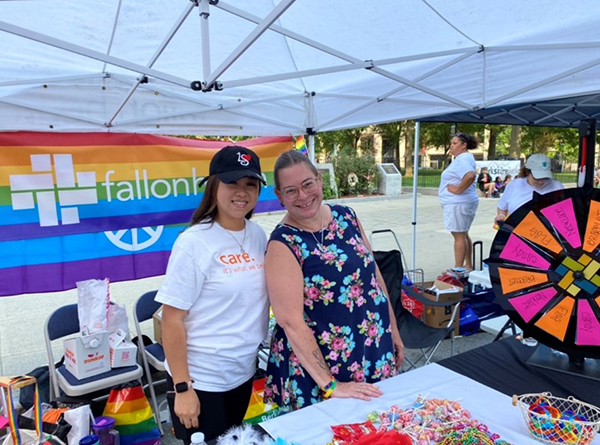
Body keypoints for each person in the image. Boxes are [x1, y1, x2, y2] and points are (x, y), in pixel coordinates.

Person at [263, 150, 404, 412]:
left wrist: (393, 330)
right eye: (291, 191)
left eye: (307, 184)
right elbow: (290, 322)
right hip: (321, 368)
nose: (303, 196)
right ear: (280, 197)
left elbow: (374, 277)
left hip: (370, 347)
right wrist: (330, 385)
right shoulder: (283, 243)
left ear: (319, 180)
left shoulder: (346, 216)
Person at [155, 146, 270, 443]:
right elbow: (171, 319)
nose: (241, 192)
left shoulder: (258, 235)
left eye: (250, 184)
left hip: (242, 373)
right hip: (201, 380)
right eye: (232, 183)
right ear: (213, 185)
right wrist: (182, 388)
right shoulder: (193, 242)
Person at [438, 133, 479, 271]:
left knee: (459, 235)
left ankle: (458, 268)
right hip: (461, 203)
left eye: (455, 143)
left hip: (458, 203)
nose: (451, 146)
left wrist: (458, 190)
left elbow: (470, 175)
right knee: (463, 233)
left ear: (463, 145)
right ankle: (467, 265)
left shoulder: (462, 160)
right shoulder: (466, 158)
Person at [494, 153, 563, 226]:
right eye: (537, 178)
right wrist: (501, 216)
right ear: (527, 172)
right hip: (518, 231)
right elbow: (502, 208)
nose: (541, 181)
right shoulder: (514, 185)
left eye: (545, 177)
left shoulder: (557, 187)